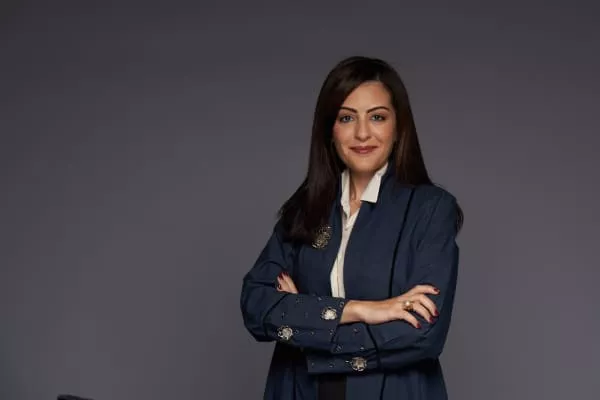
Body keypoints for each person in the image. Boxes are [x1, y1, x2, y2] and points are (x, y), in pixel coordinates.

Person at [240, 55, 463, 400]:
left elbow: (422, 334)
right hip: (298, 391)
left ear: (398, 127)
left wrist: (307, 328)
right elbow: (256, 306)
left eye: (377, 117)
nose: (362, 133)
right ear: (330, 130)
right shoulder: (303, 210)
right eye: (347, 118)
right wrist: (362, 310)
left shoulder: (430, 210)